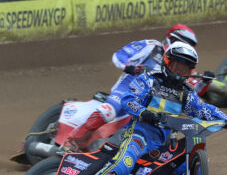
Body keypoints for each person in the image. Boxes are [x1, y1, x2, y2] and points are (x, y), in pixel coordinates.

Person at [62, 41, 227, 175]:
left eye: (185, 69)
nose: (179, 72)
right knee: (123, 165)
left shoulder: (186, 93)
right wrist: (144, 112)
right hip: (138, 134)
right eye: (176, 66)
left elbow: (205, 109)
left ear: (191, 71)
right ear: (166, 62)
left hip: (162, 145)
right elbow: (128, 100)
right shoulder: (149, 80)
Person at [61, 24, 198, 151]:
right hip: (128, 87)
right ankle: (72, 140)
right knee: (108, 111)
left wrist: (205, 81)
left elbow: (192, 85)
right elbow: (119, 56)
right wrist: (131, 67)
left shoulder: (183, 65)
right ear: (171, 39)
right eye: (181, 42)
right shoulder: (151, 46)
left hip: (150, 100)